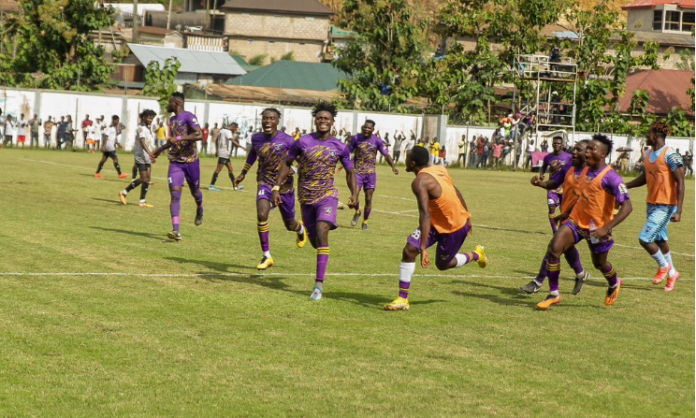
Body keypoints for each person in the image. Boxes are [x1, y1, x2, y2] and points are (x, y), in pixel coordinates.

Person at [272, 101, 359, 301]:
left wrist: (354, 194)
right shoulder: (302, 142)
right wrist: (276, 187)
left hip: (327, 196)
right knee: (315, 242)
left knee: (322, 231)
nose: (323, 121)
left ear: (332, 121)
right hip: (306, 197)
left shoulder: (339, 146)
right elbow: (286, 163)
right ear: (315, 120)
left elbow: (350, 171)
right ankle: (304, 231)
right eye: (319, 118)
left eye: (326, 118)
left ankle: (318, 285)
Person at [384, 146, 488, 311]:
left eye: (407, 156)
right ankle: (402, 299)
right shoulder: (439, 169)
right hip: (436, 222)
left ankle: (476, 255)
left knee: (443, 264)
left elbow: (424, 214)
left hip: (454, 226)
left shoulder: (419, 182)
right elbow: (456, 191)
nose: (405, 159)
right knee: (409, 250)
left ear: (412, 163)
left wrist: (424, 247)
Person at [536, 134, 632, 310]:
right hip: (576, 222)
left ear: (602, 154)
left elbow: (627, 207)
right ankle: (554, 294)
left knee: (600, 264)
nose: (587, 152)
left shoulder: (611, 177)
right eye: (586, 149)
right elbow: (582, 198)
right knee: (554, 248)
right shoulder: (585, 171)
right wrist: (564, 214)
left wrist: (606, 228)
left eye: (591, 149)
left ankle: (613, 283)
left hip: (597, 229)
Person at [234, 108, 308, 270]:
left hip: (284, 186)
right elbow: (253, 155)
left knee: (290, 225)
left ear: (277, 121)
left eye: (271, 118)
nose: (268, 121)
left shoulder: (288, 140)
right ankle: (267, 255)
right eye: (265, 118)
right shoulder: (256, 139)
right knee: (262, 214)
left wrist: (295, 169)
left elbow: (302, 159)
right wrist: (243, 173)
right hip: (265, 182)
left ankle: (300, 228)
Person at [520, 140, 591, 294]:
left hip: (587, 220)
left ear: (588, 153)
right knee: (560, 246)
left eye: (578, 150)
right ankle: (579, 275)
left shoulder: (593, 173)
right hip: (570, 218)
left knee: (601, 261)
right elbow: (554, 182)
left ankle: (613, 282)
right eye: (574, 149)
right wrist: (540, 183)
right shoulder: (569, 167)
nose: (573, 152)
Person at [625, 121, 685, 291]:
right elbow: (645, 177)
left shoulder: (671, 155)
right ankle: (673, 273)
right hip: (652, 203)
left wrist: (679, 210)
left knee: (645, 238)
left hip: (666, 205)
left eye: (649, 132)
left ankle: (664, 266)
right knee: (659, 239)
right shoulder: (648, 154)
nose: (646, 135)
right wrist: (626, 185)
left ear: (657, 135)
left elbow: (681, 182)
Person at [152, 92, 204, 242]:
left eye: (169, 102)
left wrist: (180, 138)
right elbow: (172, 141)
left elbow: (199, 135)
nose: (167, 105)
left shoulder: (189, 116)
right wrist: (159, 150)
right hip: (175, 162)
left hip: (191, 161)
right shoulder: (172, 119)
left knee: (196, 192)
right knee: (175, 194)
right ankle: (176, 230)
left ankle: (200, 208)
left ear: (176, 103)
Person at [349, 120, 399, 230]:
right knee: (355, 195)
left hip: (370, 174)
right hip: (357, 172)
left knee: (368, 198)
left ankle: (365, 221)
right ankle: (357, 211)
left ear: (373, 130)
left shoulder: (377, 141)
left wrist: (393, 166)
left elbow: (386, 155)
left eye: (369, 128)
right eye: (365, 127)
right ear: (362, 127)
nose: (366, 129)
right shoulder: (356, 138)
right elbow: (348, 151)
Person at [533, 136, 573, 232]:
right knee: (551, 208)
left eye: (558, 143)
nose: (556, 145)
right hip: (552, 187)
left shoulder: (569, 157)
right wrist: (541, 175)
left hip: (565, 187)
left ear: (562, 145)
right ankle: (555, 231)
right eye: (555, 143)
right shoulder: (548, 157)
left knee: (564, 210)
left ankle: (563, 230)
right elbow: (543, 167)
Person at [119, 109, 157, 208]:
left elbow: (149, 143)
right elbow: (142, 141)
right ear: (144, 117)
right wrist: (150, 153)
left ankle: (142, 201)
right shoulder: (141, 128)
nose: (151, 120)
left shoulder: (148, 128)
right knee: (143, 178)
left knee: (147, 179)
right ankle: (124, 192)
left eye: (152, 118)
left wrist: (151, 154)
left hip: (147, 155)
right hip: (140, 155)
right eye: (149, 118)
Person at [209, 121, 245, 191]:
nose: (235, 130)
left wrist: (217, 150)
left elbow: (216, 140)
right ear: (233, 127)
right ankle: (211, 185)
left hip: (224, 153)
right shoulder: (228, 132)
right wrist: (242, 147)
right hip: (224, 153)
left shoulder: (222, 130)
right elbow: (233, 141)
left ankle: (235, 186)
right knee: (218, 169)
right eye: (235, 128)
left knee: (231, 170)